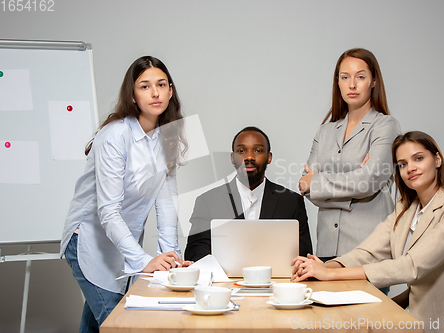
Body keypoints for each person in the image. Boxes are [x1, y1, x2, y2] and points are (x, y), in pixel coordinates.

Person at [292, 131, 444, 332]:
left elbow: (412, 266)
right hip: (413, 315)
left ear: (437, 159)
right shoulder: (405, 207)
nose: (410, 168)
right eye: (402, 164)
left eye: (418, 158)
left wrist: (330, 275)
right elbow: (369, 252)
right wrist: (328, 266)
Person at [60, 56, 193, 332]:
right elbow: (108, 211)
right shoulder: (115, 136)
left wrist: (172, 259)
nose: (154, 93)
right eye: (144, 86)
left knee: (99, 325)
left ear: (171, 90)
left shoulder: (167, 136)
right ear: (132, 95)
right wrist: (145, 262)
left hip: (122, 245)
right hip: (91, 242)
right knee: (121, 326)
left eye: (161, 84)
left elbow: (166, 204)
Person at [299, 48, 401, 262]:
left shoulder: (385, 126)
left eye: (360, 77)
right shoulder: (325, 132)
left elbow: (369, 180)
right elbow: (304, 186)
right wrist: (355, 183)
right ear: (338, 82)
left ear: (373, 81)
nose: (352, 85)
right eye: (345, 77)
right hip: (326, 249)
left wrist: (319, 183)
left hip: (368, 251)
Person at [184, 126, 313, 262]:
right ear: (233, 158)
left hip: (276, 281)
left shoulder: (291, 202)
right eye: (241, 151)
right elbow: (195, 251)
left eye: (258, 150)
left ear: (269, 157)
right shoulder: (207, 201)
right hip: (224, 281)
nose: (249, 157)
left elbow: (304, 255)